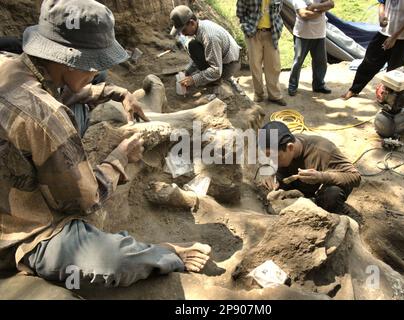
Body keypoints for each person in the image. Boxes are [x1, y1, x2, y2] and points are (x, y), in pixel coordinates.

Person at [0, 0, 211, 287]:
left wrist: (117, 92)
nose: (96, 70)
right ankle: (161, 253)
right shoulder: (48, 117)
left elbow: (65, 92)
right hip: (19, 233)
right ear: (69, 58)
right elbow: (86, 200)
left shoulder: (10, 65)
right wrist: (120, 159)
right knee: (111, 259)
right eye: (93, 62)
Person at [258, 121, 361, 213]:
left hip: (319, 190)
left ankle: (334, 211)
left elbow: (355, 177)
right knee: (275, 191)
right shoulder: (280, 147)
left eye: (274, 157)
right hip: (297, 185)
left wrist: (321, 177)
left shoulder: (323, 150)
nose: (272, 161)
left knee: (332, 195)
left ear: (290, 147)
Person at [342, 0, 404, 100]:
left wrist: (394, 37)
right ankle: (354, 90)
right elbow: (382, 3)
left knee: (395, 69)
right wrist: (381, 16)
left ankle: (389, 99)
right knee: (369, 62)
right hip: (385, 32)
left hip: (403, 37)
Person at [170, 5, 241, 89]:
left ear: (192, 23)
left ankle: (218, 81)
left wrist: (193, 79)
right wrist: (188, 71)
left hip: (230, 65)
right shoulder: (200, 26)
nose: (183, 34)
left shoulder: (209, 37)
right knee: (192, 45)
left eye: (184, 30)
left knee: (193, 46)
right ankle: (209, 77)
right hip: (223, 60)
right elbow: (199, 55)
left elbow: (216, 71)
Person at [236, 0, 287, 106]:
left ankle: (275, 95)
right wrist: (246, 27)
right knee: (255, 66)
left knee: (273, 66)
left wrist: (278, 27)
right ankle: (259, 94)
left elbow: (278, 10)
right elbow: (240, 12)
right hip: (253, 34)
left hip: (271, 33)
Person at [288, 0, 334, 96]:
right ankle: (292, 86)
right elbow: (304, 15)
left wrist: (313, 6)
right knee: (298, 61)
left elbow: (331, 4)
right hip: (302, 35)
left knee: (320, 62)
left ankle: (319, 85)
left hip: (320, 34)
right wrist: (321, 10)